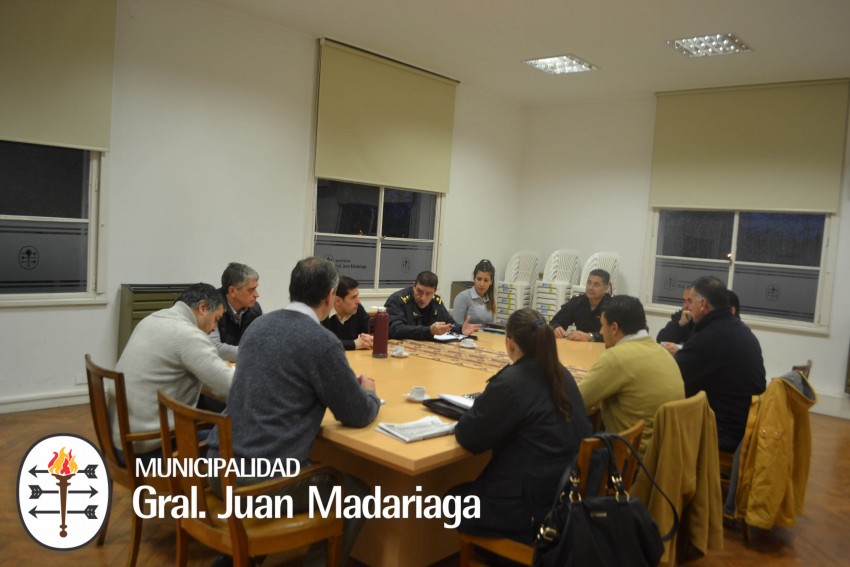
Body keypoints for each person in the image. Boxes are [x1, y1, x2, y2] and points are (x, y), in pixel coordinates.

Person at [206, 257, 380, 567]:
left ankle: (241, 556)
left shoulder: (260, 325)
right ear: (330, 296)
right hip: (258, 484)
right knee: (357, 493)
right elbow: (356, 414)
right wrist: (368, 393)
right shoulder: (322, 342)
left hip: (217, 466)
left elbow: (284, 377)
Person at [448, 308, 592, 544]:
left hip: (529, 510)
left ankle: (500, 558)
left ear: (510, 343)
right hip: (564, 497)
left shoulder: (512, 382)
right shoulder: (562, 374)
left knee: (451, 501)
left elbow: (468, 436)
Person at [114, 283, 234, 464]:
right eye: (216, 319)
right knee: (241, 437)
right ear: (203, 308)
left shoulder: (152, 319)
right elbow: (230, 387)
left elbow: (209, 382)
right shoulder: (188, 335)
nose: (213, 329)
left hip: (123, 442)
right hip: (148, 451)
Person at [578, 295, 684, 455]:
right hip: (664, 458)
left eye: (602, 326)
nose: (601, 332)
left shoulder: (617, 357)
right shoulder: (661, 351)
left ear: (614, 328)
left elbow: (575, 401)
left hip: (630, 462)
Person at [674, 276, 765, 452]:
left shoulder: (709, 337)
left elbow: (673, 378)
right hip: (747, 425)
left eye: (690, 301)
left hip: (725, 432)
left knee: (659, 420)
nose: (688, 307)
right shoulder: (738, 328)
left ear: (703, 304)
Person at [385, 270, 481, 340]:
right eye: (419, 291)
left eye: (428, 294)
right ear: (414, 286)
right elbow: (395, 330)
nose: (423, 297)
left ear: (435, 292)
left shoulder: (436, 302)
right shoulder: (397, 300)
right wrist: (429, 331)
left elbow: (449, 323)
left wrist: (460, 329)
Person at [209, 262, 262, 362]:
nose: (257, 295)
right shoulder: (212, 306)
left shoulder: (255, 309)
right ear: (232, 291)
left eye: (256, 289)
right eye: (251, 290)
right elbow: (214, 347)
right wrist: (252, 353)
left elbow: (261, 342)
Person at [549, 269, 612, 341]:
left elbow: (614, 335)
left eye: (596, 285)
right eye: (589, 283)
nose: (590, 288)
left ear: (606, 288)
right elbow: (554, 322)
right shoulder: (577, 302)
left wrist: (591, 336)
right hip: (579, 346)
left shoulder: (612, 306)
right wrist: (556, 327)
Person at [322, 275, 373, 350]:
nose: (358, 301)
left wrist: (372, 338)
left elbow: (372, 327)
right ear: (338, 301)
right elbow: (323, 342)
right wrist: (354, 344)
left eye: (357, 296)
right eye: (353, 297)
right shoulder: (322, 314)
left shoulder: (356, 308)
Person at [453, 259, 496, 326]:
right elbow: (456, 327)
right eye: (479, 279)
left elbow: (491, 327)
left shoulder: (490, 299)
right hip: (467, 336)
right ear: (474, 279)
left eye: (486, 280)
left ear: (491, 282)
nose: (482, 284)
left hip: (485, 336)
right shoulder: (463, 297)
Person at [657, 285, 696, 350]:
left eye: (690, 301)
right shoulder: (681, 316)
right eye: (684, 301)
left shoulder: (704, 320)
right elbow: (660, 339)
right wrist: (679, 324)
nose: (686, 306)